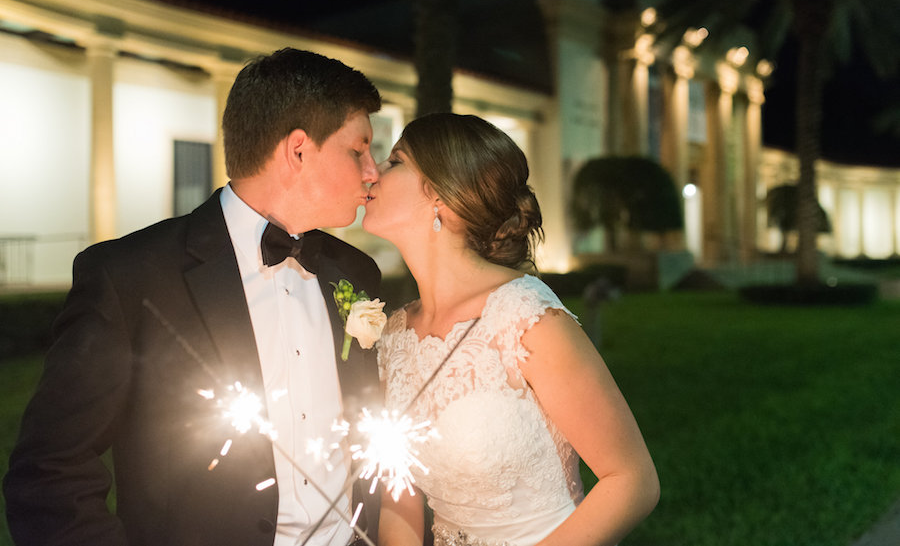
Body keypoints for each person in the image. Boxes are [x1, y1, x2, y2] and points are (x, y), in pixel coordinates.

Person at [4, 48, 384, 546]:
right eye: (358, 150)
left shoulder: (355, 273)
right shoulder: (132, 276)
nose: (372, 171)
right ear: (298, 150)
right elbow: (49, 469)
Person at [363, 113, 660, 546]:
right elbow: (399, 492)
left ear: (441, 196)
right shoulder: (394, 336)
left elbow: (632, 480)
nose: (373, 171)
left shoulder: (525, 317)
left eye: (396, 161)